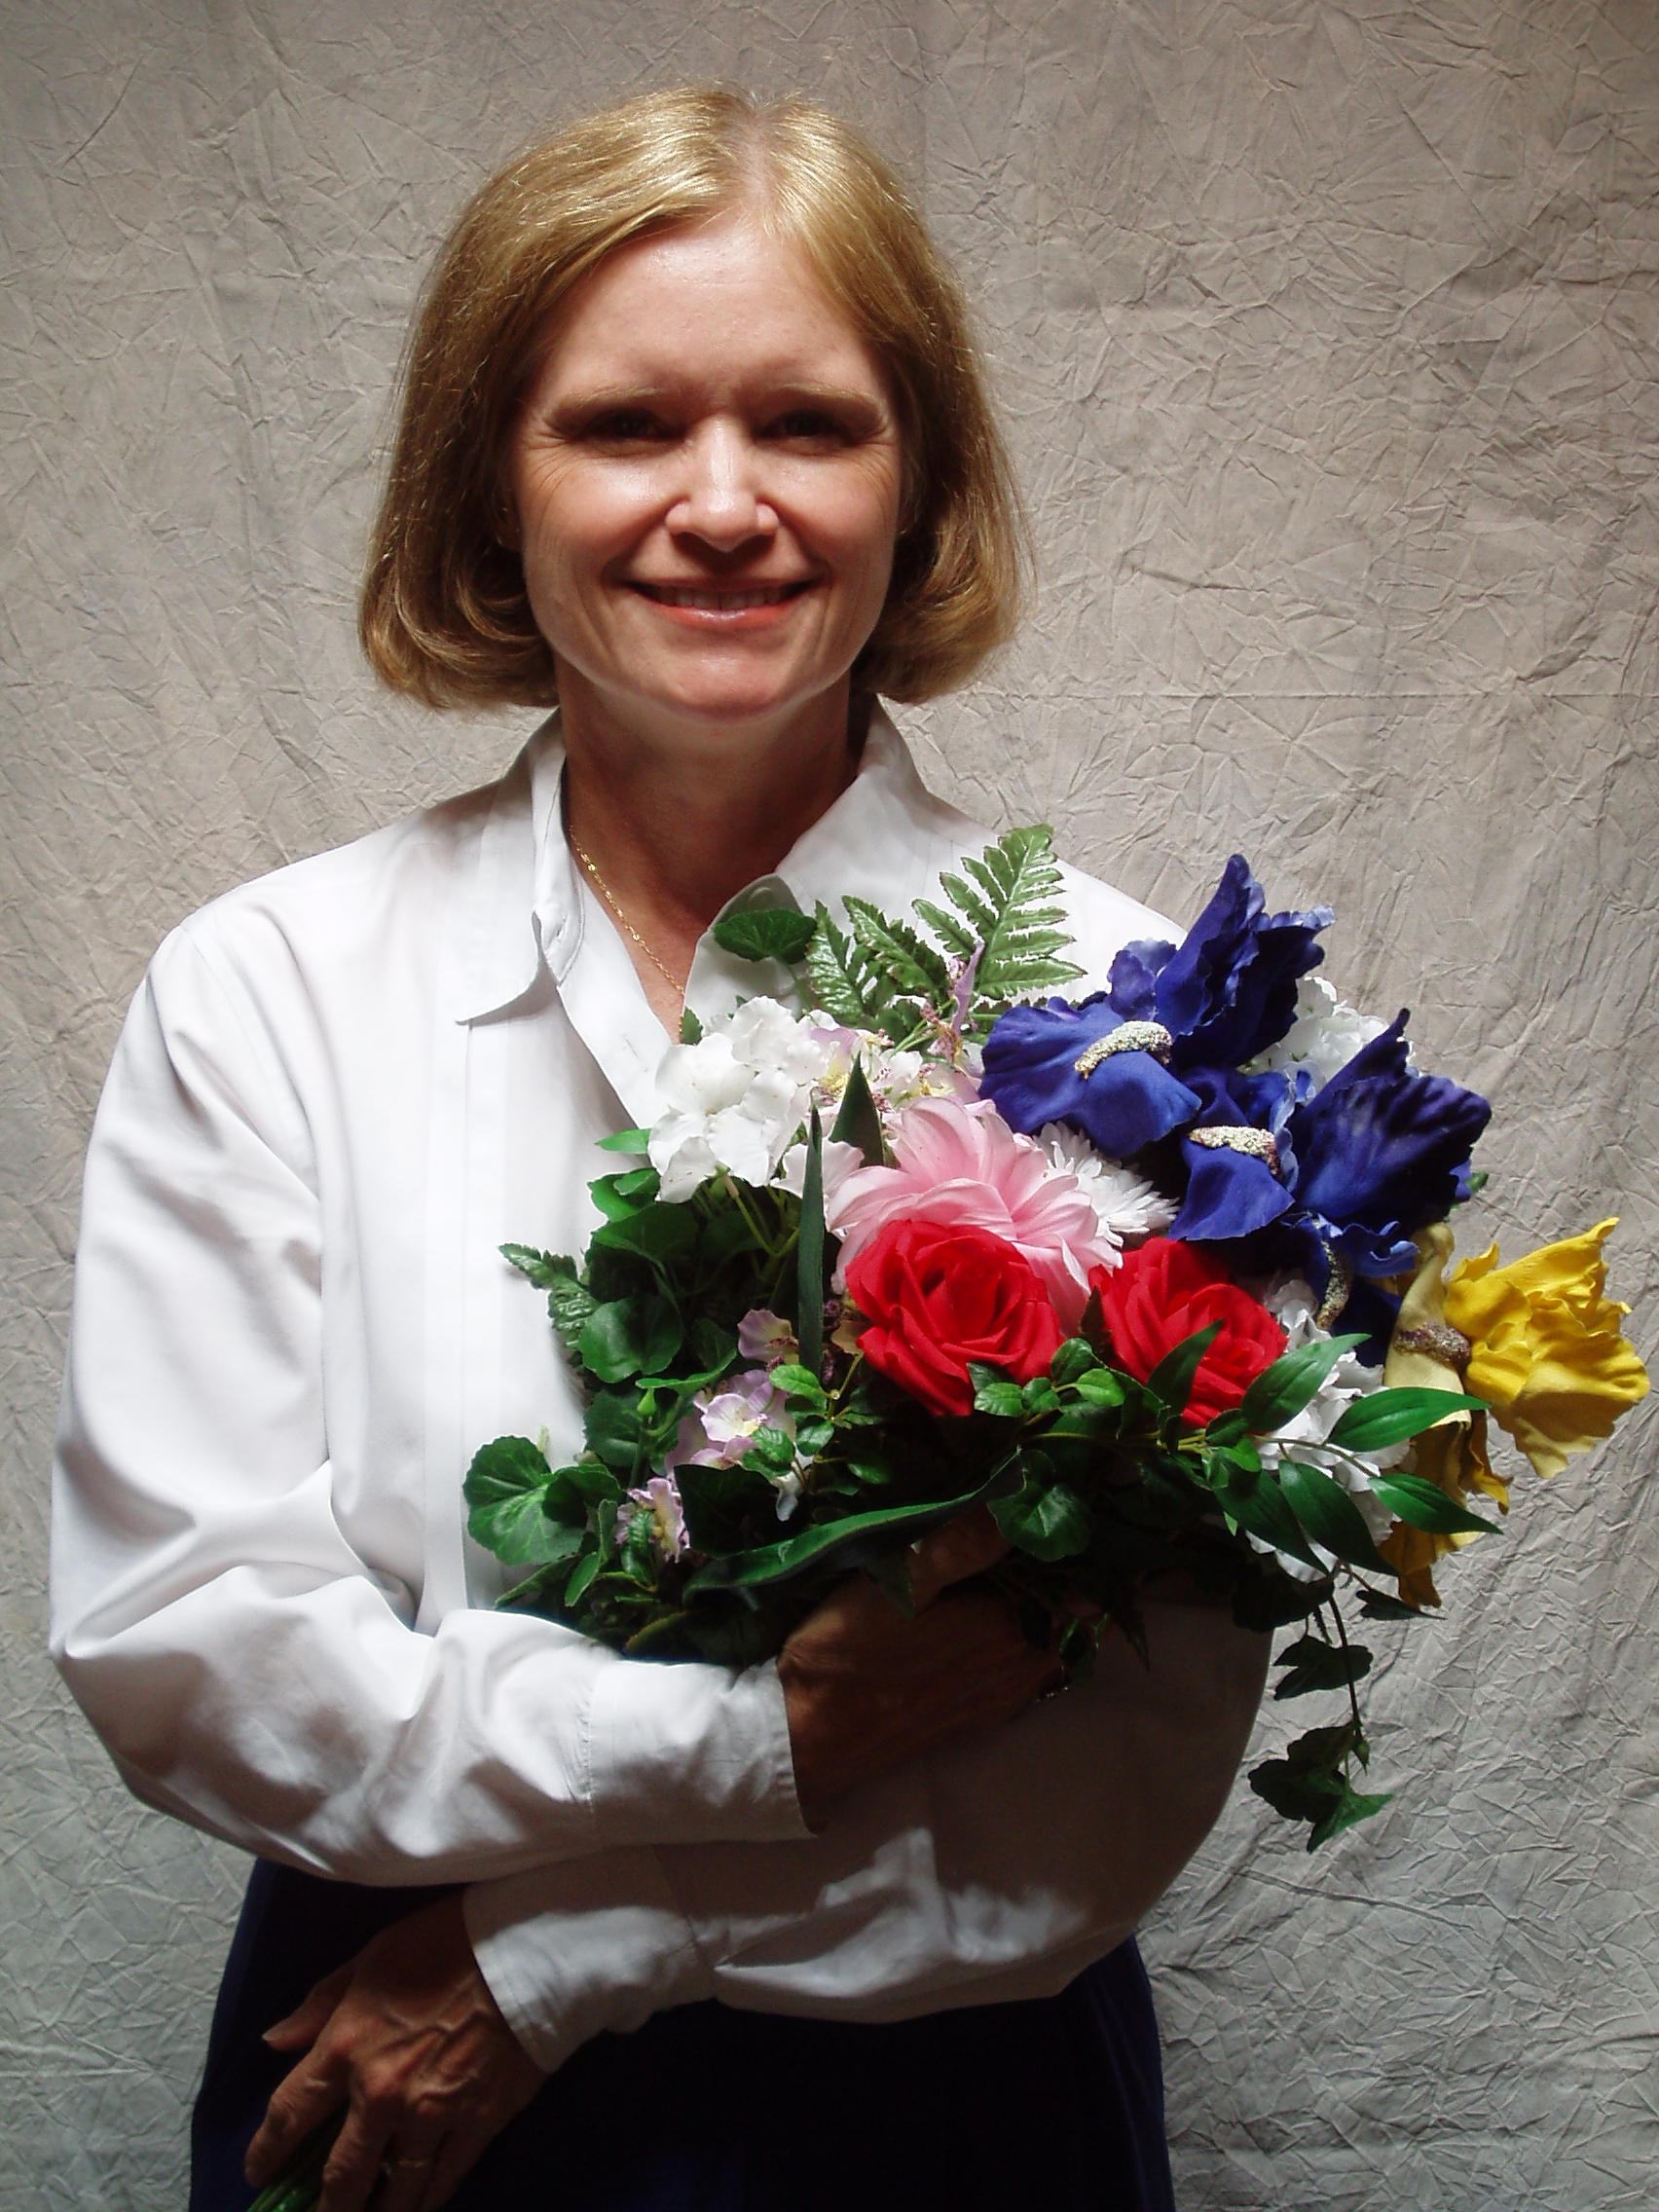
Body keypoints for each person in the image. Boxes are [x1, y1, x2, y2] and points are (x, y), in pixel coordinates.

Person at [50, 87, 1270, 2212]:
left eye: (807, 424)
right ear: (488, 487)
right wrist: (762, 1741)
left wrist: (551, 1954)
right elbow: (191, 1641)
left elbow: (1124, 1749)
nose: (722, 505)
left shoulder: (1126, 1016)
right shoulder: (268, 989)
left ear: (917, 486)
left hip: (954, 2096)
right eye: (623, 426)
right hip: (378, 2087)